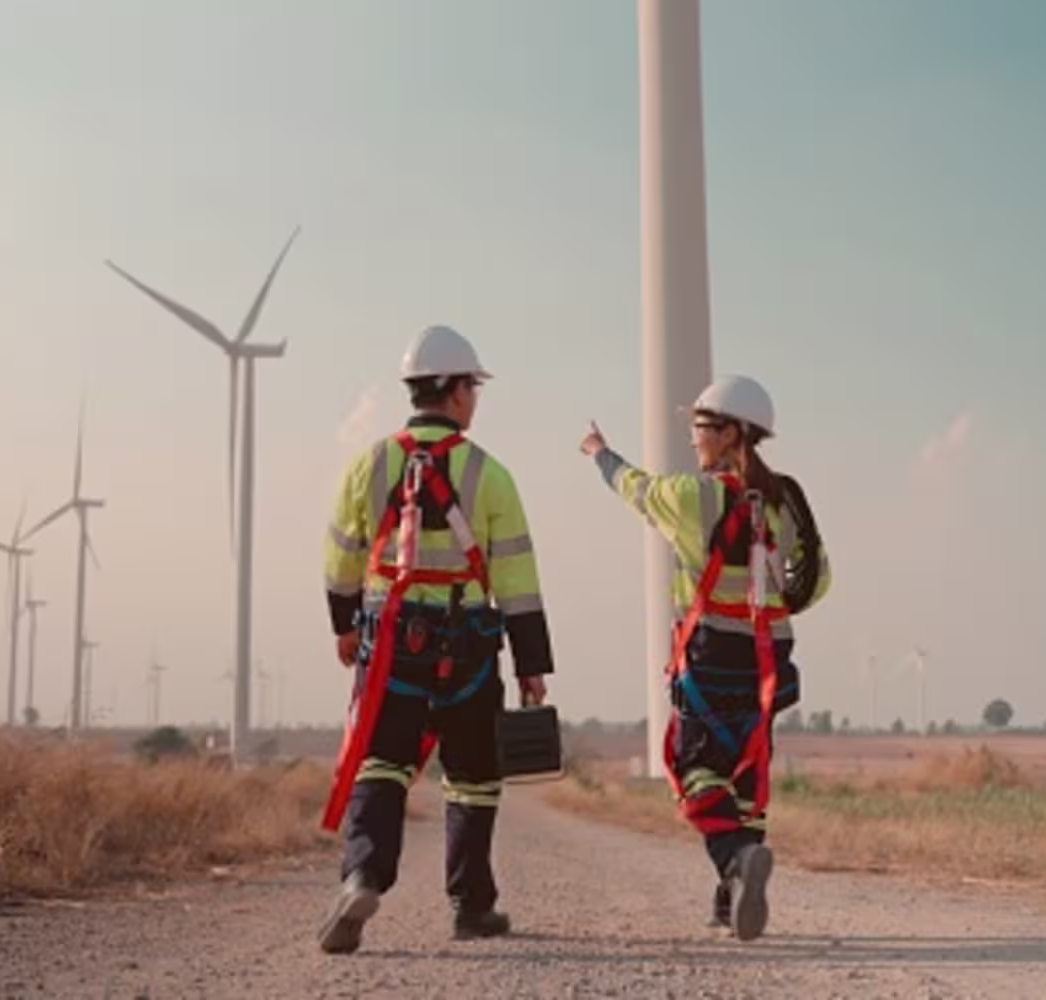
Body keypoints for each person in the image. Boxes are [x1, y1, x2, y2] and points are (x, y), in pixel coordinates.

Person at [316, 324, 555, 955]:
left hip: (390, 637)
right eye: (472, 387)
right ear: (453, 392)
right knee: (473, 776)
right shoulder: (491, 475)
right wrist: (533, 663)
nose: (475, 398)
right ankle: (471, 906)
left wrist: (344, 627)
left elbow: (339, 559)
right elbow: (518, 578)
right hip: (469, 641)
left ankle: (364, 875)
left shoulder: (367, 464)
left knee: (382, 761)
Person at [579, 375, 828, 941]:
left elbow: (635, 488)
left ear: (728, 432)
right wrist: (769, 606)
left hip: (711, 653)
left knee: (693, 770)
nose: (692, 439)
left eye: (698, 427)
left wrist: (600, 454)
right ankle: (728, 899)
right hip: (771, 659)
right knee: (748, 772)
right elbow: (818, 579)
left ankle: (738, 858)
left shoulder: (694, 497)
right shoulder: (788, 500)